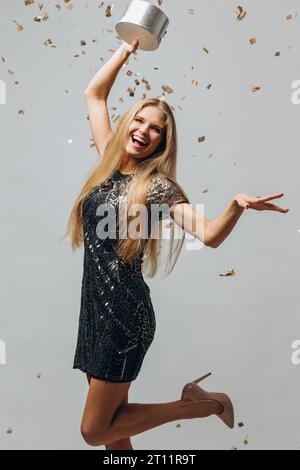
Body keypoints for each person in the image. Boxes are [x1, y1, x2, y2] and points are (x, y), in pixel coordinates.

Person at [64, 39, 289, 450]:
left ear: (162, 144)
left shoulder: (158, 188)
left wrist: (235, 206)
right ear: (129, 121)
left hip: (124, 317)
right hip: (95, 310)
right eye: (141, 121)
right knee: (116, 430)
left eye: (156, 130)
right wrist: (125, 49)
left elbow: (208, 235)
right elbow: (94, 94)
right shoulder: (107, 162)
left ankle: (204, 405)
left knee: (95, 431)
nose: (144, 131)